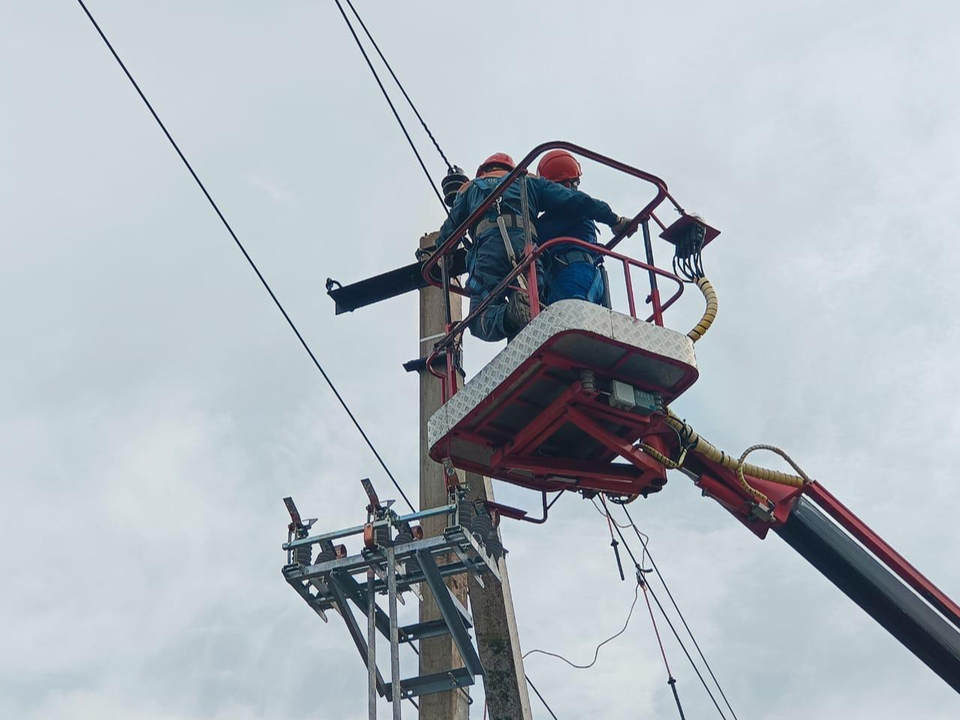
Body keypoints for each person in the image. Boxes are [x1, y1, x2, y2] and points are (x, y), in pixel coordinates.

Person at [434, 152, 631, 342]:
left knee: (479, 318)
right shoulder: (528, 181)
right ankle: (522, 312)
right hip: (527, 252)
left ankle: (510, 315)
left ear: (483, 172)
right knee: (534, 301)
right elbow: (576, 200)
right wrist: (615, 220)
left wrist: (439, 255)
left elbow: (449, 230)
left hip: (488, 256)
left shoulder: (470, 189)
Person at [535, 150, 607, 306]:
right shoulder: (570, 212)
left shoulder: (575, 209)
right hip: (565, 276)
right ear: (569, 183)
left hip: (575, 274)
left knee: (576, 321)